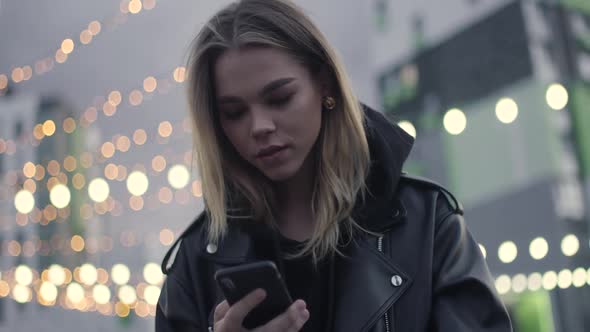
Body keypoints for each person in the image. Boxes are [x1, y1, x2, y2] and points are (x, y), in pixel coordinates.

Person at [156, 0, 513, 331]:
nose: (259, 126)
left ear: (324, 83)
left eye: (280, 98)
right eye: (234, 112)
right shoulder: (195, 262)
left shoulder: (428, 226)